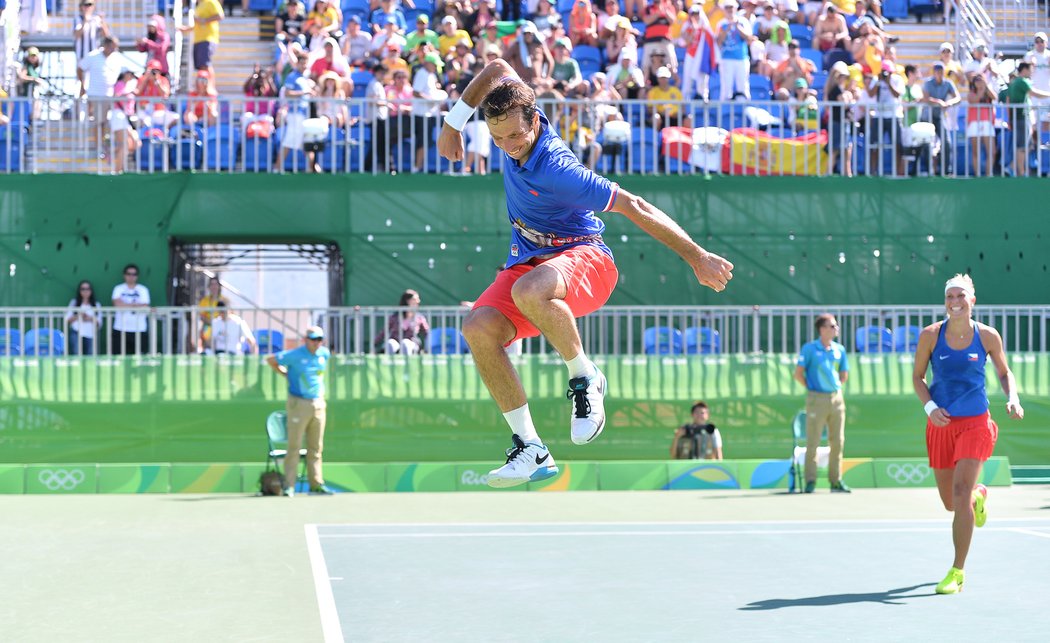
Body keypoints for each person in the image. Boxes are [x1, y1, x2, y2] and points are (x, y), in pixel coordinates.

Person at [436, 57, 734, 488]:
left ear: (535, 120)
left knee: (529, 290)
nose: (510, 144)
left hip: (587, 260)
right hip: (531, 261)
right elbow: (498, 66)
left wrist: (696, 256)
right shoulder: (516, 107)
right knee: (478, 327)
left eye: (517, 135)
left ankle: (585, 377)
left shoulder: (559, 170)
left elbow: (634, 205)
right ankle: (530, 447)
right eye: (499, 138)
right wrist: (454, 121)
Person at [912, 274, 1024, 595]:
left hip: (975, 422)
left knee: (960, 495)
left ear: (972, 300)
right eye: (950, 297)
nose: (955, 302)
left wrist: (1012, 397)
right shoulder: (930, 336)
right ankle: (979, 496)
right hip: (941, 424)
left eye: (961, 296)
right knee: (952, 502)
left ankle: (957, 571)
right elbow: (918, 378)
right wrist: (930, 407)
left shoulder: (988, 336)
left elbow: (1004, 373)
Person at [266, 326, 334, 496]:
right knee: (294, 446)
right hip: (298, 404)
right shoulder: (295, 354)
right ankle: (289, 486)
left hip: (318, 404)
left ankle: (316, 484)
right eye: (313, 339)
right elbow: (271, 360)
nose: (317, 343)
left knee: (316, 448)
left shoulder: (324, 354)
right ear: (306, 339)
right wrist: (286, 374)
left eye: (320, 339)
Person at [793, 313, 850, 493]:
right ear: (822, 329)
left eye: (836, 326)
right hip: (816, 399)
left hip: (837, 399)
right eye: (832, 326)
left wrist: (836, 387)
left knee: (838, 441)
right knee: (813, 441)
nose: (836, 329)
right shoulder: (809, 348)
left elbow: (844, 373)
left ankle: (836, 481)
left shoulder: (839, 349)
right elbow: (798, 374)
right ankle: (810, 481)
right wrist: (813, 389)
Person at [373, 289, 431, 354]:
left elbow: (427, 333)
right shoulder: (394, 317)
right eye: (415, 299)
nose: (418, 301)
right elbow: (383, 332)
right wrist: (373, 344)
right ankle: (390, 363)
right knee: (390, 344)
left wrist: (428, 348)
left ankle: (407, 364)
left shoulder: (419, 318)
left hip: (412, 344)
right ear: (408, 301)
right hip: (395, 342)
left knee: (405, 343)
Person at [111, 263, 151, 355]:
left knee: (140, 359)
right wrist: (135, 305)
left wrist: (125, 304)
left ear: (137, 276)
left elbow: (145, 305)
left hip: (139, 329)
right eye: (129, 274)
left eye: (134, 274)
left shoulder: (143, 290)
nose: (131, 277)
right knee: (118, 358)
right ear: (124, 275)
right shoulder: (118, 288)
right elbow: (117, 304)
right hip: (120, 328)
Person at [179, 0, 225, 78]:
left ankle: (210, 87)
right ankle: (202, 87)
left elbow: (220, 16)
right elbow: (198, 23)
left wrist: (204, 20)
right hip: (198, 40)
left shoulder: (211, 2)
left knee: (205, 65)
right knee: (201, 67)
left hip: (207, 38)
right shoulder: (199, 5)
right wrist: (186, 29)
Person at [66, 280, 102, 356]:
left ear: (91, 291)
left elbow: (99, 322)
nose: (85, 291)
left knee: (90, 355)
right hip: (76, 332)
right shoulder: (74, 303)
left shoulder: (96, 304)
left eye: (88, 289)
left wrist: (90, 318)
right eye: (83, 289)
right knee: (76, 353)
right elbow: (67, 319)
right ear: (79, 291)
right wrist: (78, 316)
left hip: (90, 333)